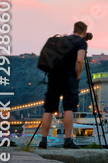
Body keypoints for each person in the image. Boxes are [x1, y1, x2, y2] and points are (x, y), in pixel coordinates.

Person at [37, 21, 89, 149]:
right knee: (68, 108)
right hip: (68, 77)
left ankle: (43, 142)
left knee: (49, 108)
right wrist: (78, 75)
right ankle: (68, 141)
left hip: (53, 76)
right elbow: (79, 60)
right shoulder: (81, 42)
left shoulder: (62, 40)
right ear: (84, 32)